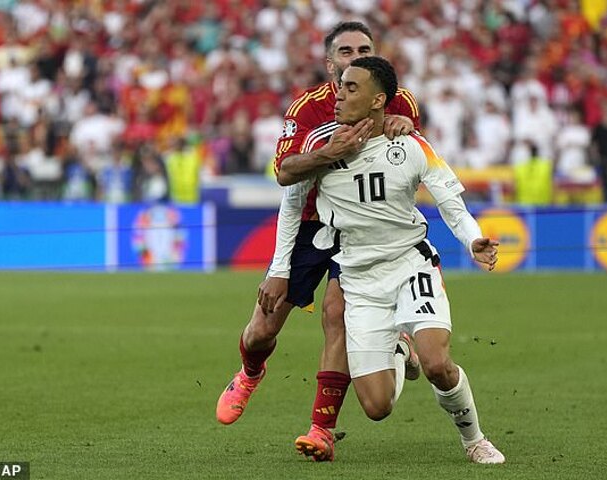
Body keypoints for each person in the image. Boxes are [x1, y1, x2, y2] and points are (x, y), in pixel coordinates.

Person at [216, 22, 421, 462]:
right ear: (330, 64)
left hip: (362, 230)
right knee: (262, 330)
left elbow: (411, 164)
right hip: (310, 225)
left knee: (336, 313)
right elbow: (286, 176)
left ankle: (321, 429)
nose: (356, 56)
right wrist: (279, 269)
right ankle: (251, 371)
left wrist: (408, 129)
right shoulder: (309, 110)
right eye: (346, 51)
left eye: (364, 49)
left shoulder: (399, 101)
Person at [306, 56, 505, 464]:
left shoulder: (411, 145)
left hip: (411, 265)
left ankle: (474, 440)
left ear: (378, 101)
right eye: (340, 87)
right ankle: (399, 349)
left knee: (436, 363)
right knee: (377, 407)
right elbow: (291, 200)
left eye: (351, 88)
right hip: (359, 282)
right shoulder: (320, 151)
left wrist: (473, 239)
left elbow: (450, 202)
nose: (339, 95)